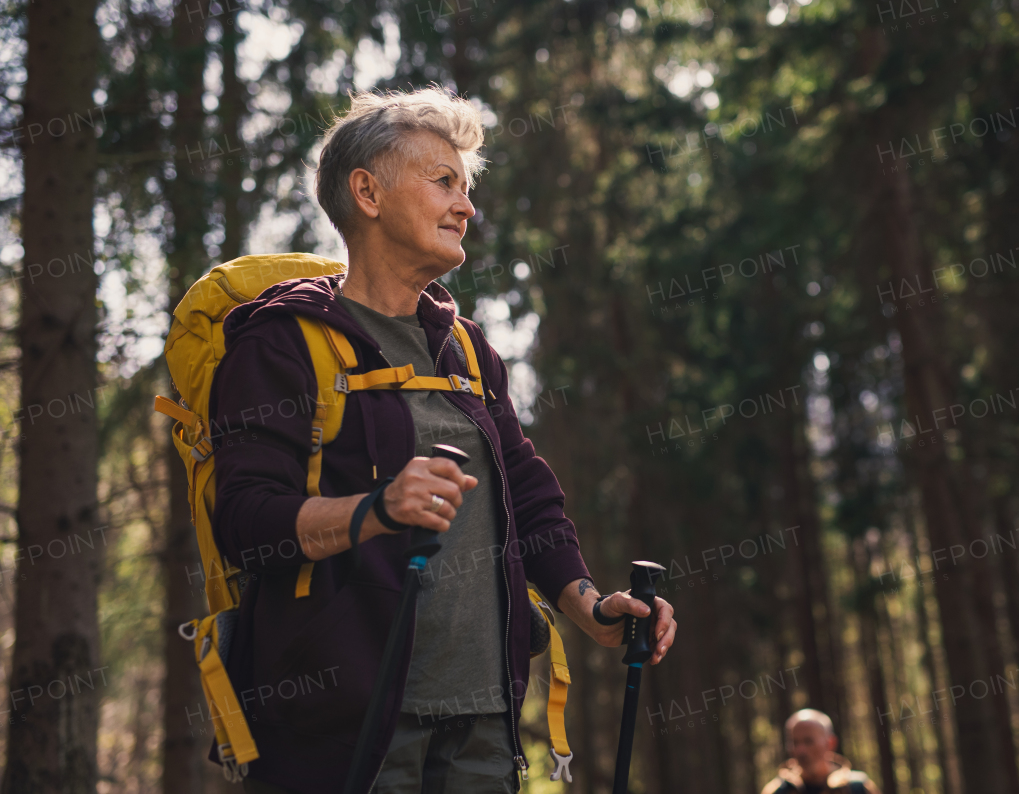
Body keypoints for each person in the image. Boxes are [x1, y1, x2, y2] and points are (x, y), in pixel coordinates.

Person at [208, 85, 677, 794]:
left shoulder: (464, 347)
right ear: (366, 192)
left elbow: (525, 492)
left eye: (466, 186)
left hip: (485, 722)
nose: (467, 206)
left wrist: (591, 605)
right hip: (347, 730)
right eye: (444, 182)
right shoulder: (282, 342)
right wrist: (375, 508)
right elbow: (245, 520)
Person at [761, 709, 882, 794]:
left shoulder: (858, 788)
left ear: (830, 743)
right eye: (794, 743)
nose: (800, 750)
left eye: (808, 741)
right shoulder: (777, 791)